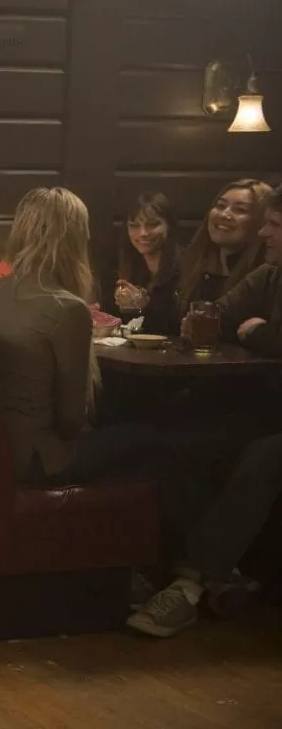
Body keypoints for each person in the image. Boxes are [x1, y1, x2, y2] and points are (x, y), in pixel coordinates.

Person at [128, 184, 282, 637]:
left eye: (274, 226)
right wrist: (246, 327)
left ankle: (189, 584)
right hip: (269, 406)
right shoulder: (270, 275)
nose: (265, 235)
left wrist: (259, 334)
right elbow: (208, 315)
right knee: (179, 443)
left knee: (263, 457)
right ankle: (219, 573)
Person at [0, 187, 163, 484]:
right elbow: (71, 420)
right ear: (74, 241)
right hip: (37, 459)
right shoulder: (67, 308)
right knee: (152, 436)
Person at [174, 179, 272, 327]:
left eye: (240, 210)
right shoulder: (191, 264)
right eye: (220, 206)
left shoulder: (268, 276)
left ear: (262, 222)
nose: (225, 214)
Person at [112, 190, 182, 335]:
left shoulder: (185, 266)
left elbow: (177, 324)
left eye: (152, 224)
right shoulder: (124, 263)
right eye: (134, 225)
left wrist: (144, 305)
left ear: (169, 226)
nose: (143, 233)